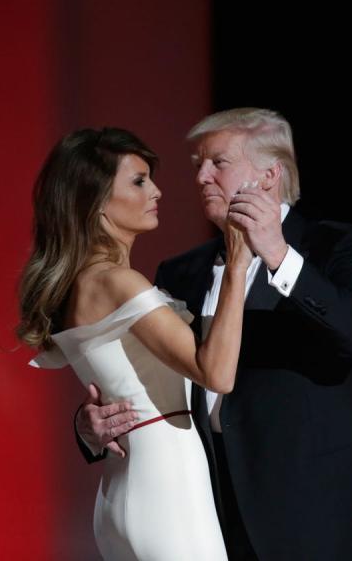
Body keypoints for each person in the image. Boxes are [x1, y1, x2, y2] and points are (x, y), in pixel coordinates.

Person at [77, 109, 352, 559]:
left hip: (312, 514)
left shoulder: (336, 246)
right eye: (197, 164)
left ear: (269, 174)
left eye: (217, 163)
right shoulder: (180, 271)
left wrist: (279, 254)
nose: (201, 176)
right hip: (207, 506)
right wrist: (88, 426)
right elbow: (150, 375)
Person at [17, 127, 253, 560]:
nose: (157, 191)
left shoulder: (83, 284)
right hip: (168, 479)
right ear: (97, 201)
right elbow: (216, 373)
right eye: (139, 181)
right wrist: (237, 265)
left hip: (122, 486)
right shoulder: (118, 281)